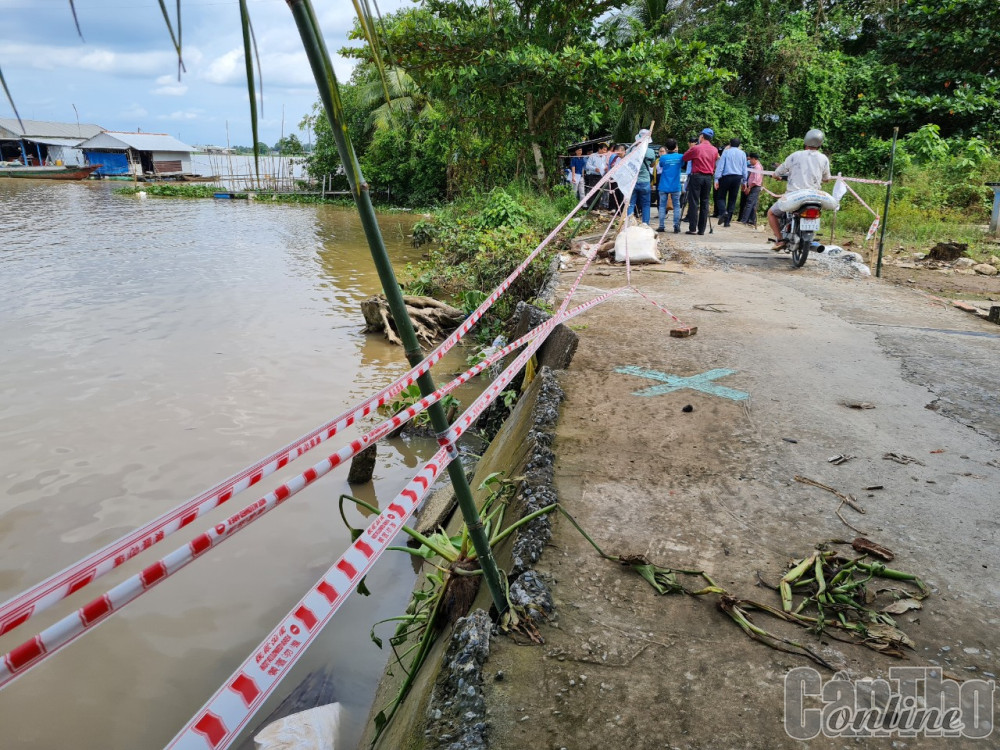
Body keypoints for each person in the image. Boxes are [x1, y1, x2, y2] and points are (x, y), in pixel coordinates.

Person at [768, 128, 833, 249]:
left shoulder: (795, 156)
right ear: (820, 144)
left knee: (771, 213)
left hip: (794, 196)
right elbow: (827, 178)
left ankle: (780, 240)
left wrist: (775, 176)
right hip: (814, 197)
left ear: (805, 141)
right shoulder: (824, 158)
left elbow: (779, 171)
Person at [681, 128, 719, 235]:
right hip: (708, 178)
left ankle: (692, 228)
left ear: (702, 136)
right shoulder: (714, 150)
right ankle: (701, 229)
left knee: (693, 202)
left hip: (697, 177)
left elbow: (685, 157)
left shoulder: (696, 148)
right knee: (705, 202)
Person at [714, 137, 748, 227]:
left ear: (730, 144)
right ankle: (727, 222)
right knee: (732, 200)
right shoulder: (742, 154)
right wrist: (745, 181)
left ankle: (723, 211)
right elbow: (744, 168)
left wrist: (716, 178)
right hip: (737, 178)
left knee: (721, 197)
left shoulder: (726, 152)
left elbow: (721, 166)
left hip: (726, 177)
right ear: (739, 145)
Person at [627, 130, 656, 225]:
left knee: (631, 204)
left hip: (633, 181)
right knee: (646, 205)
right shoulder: (650, 152)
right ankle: (645, 224)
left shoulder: (631, 150)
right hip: (645, 181)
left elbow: (626, 163)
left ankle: (629, 224)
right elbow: (652, 165)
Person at [656, 138, 684, 233]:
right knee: (676, 206)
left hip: (664, 185)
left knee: (662, 206)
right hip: (676, 185)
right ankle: (676, 226)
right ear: (676, 147)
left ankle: (661, 226)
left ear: (666, 148)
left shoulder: (663, 158)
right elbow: (682, 164)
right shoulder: (681, 157)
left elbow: (661, 166)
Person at [738, 153, 764, 225]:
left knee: (749, 203)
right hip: (753, 187)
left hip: (754, 187)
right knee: (753, 204)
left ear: (754, 159)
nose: (750, 161)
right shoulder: (755, 166)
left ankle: (744, 220)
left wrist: (749, 187)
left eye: (751, 160)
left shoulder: (757, 167)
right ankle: (752, 220)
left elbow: (756, 180)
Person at [679, 135, 697, 221]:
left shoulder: (695, 151)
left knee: (690, 197)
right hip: (689, 174)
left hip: (692, 175)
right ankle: (688, 215)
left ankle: (690, 216)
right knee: (688, 195)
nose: (692, 145)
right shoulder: (690, 151)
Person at [606, 144, 626, 213]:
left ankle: (622, 211)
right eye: (616, 151)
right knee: (616, 195)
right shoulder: (615, 158)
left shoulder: (627, 158)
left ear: (623, 151)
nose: (618, 153)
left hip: (623, 180)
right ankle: (617, 210)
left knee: (622, 195)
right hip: (615, 179)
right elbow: (611, 166)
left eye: (619, 151)